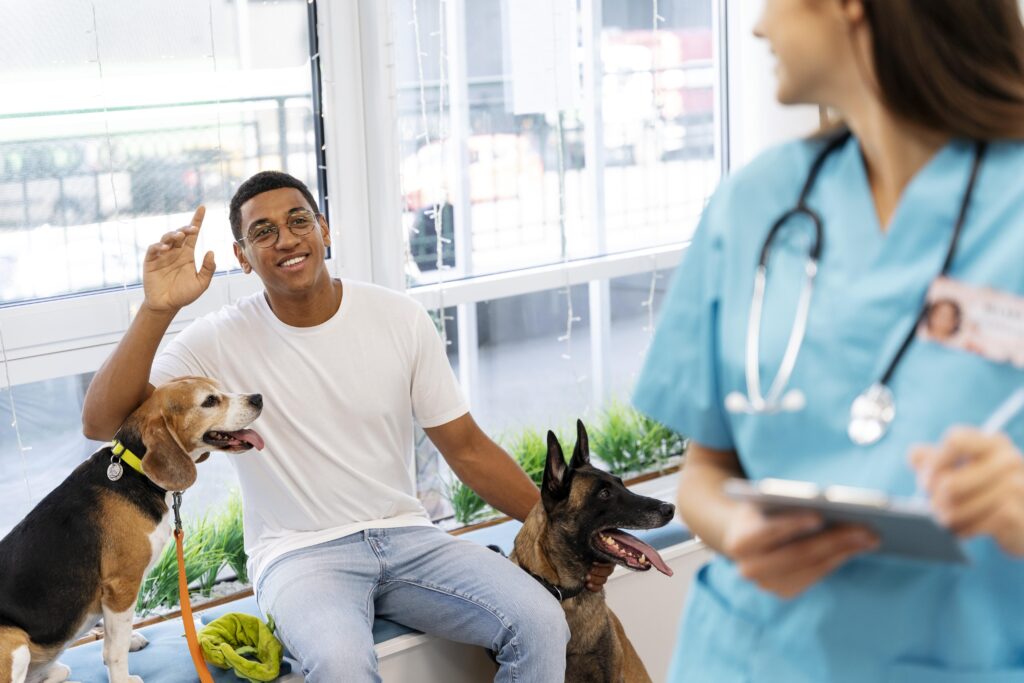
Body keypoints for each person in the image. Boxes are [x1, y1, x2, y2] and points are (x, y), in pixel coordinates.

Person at [81, 171, 613, 682]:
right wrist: (156, 310)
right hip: (298, 555)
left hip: (409, 536)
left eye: (299, 221)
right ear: (242, 257)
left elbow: (468, 448)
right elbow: (100, 422)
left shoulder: (399, 317)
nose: (286, 238)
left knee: (541, 621)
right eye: (263, 232)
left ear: (324, 230)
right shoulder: (217, 338)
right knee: (341, 665)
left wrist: (564, 531)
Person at [632, 1, 1024, 680]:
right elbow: (705, 473)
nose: (757, 26)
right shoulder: (755, 205)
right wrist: (737, 530)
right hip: (747, 656)